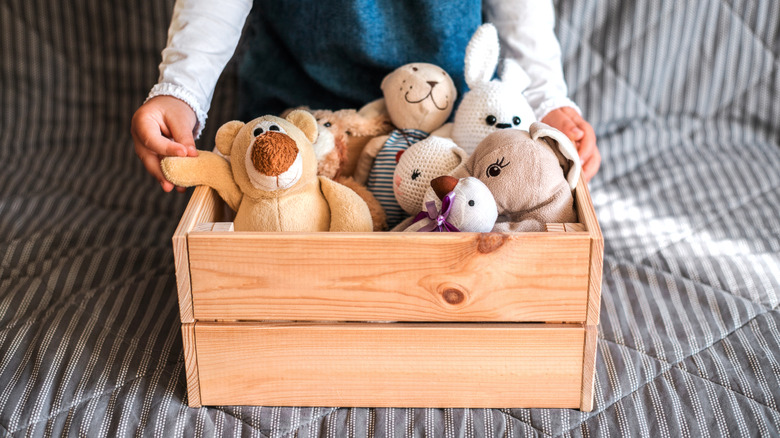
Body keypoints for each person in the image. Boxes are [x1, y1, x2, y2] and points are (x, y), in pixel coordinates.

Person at [131, 0, 601, 193]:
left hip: (454, 119)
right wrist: (182, 90)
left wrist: (546, 101)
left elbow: (523, 13)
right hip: (298, 114)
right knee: (280, 212)